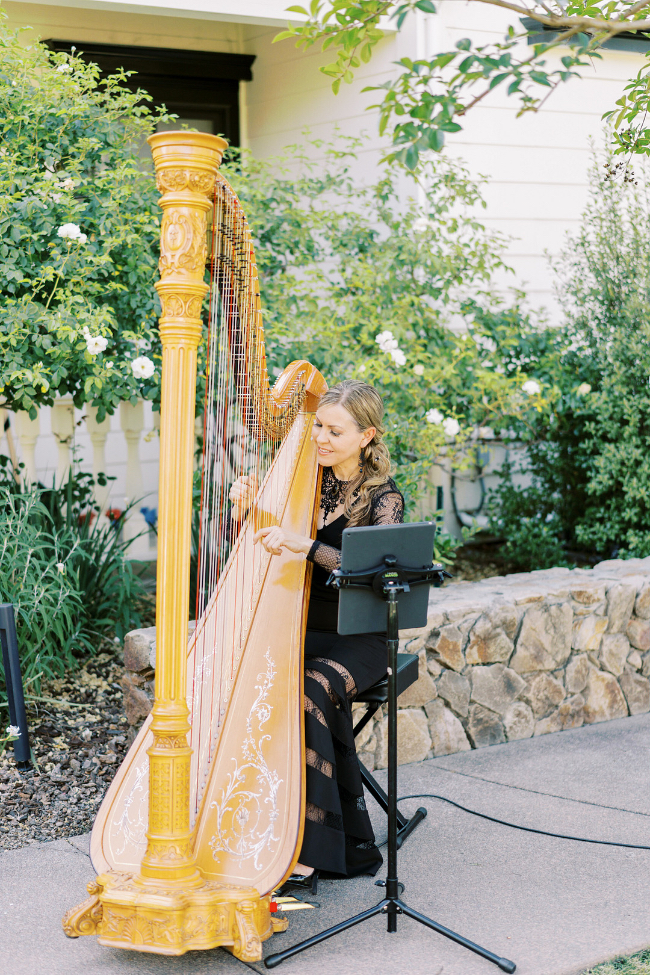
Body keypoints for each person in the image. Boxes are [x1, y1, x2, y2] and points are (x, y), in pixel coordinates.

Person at [229, 379, 404, 889]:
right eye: (318, 427)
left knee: (310, 691)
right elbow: (270, 542)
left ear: (366, 436)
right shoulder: (305, 478)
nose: (321, 438)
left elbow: (372, 573)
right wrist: (248, 509)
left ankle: (314, 847)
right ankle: (258, 821)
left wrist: (305, 546)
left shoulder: (384, 499)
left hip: (361, 637)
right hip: (300, 625)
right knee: (248, 673)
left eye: (334, 431)